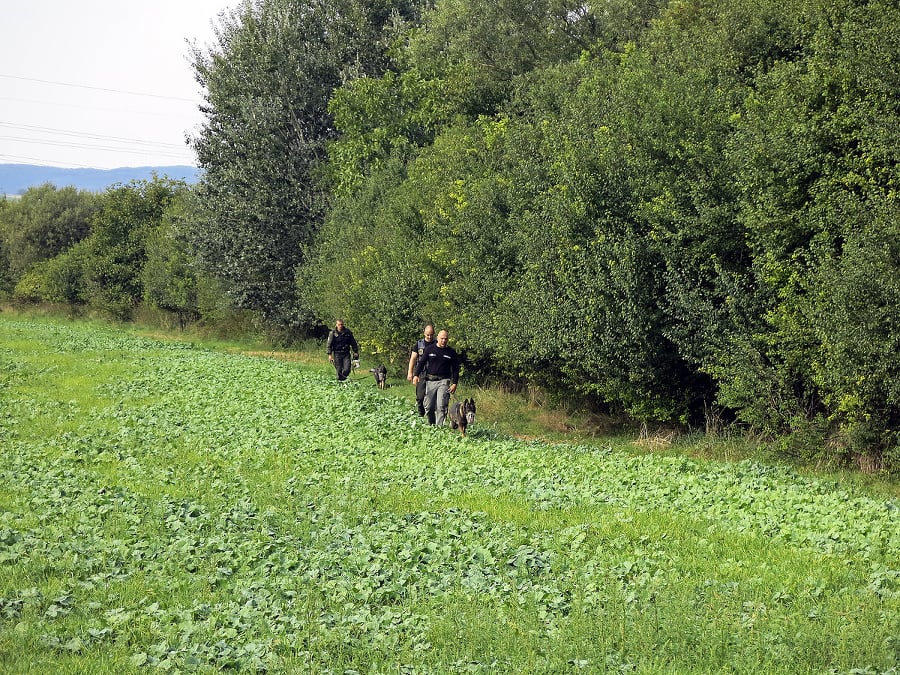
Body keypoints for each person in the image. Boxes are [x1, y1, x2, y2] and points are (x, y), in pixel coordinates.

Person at [412, 329, 459, 427]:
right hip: (430, 381)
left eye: (446, 339)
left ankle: (439, 428)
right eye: (442, 339)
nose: (443, 341)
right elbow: (421, 363)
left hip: (444, 381)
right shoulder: (430, 349)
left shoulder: (451, 352)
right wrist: (416, 375)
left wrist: (454, 383)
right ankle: (432, 425)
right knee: (428, 407)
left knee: (441, 406)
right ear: (437, 338)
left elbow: (455, 369)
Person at [407, 324, 436, 422]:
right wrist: (410, 373)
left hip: (433, 374)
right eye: (427, 335)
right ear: (424, 333)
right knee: (420, 397)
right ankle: (420, 414)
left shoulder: (437, 344)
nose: (429, 337)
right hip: (421, 373)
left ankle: (431, 418)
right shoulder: (418, 345)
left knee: (431, 398)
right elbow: (413, 359)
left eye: (431, 335)